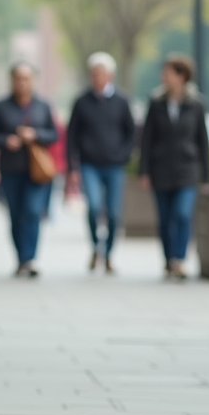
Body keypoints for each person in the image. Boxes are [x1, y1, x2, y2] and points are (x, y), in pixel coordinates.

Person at [137, 53, 209, 280]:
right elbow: (147, 138)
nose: (164, 77)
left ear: (181, 76)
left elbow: (203, 141)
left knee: (182, 214)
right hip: (161, 170)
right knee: (165, 219)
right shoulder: (156, 103)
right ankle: (168, 260)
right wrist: (144, 170)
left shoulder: (196, 104)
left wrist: (207, 176)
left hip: (188, 170)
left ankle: (179, 259)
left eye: (168, 73)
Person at [0, 63, 59, 277]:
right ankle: (21, 258)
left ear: (33, 81)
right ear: (12, 81)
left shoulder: (42, 106)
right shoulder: (1, 106)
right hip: (10, 169)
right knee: (16, 215)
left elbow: (54, 134)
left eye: (26, 78)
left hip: (36, 171)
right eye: (18, 78)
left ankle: (30, 258)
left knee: (33, 212)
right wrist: (6, 140)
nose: (22, 82)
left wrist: (35, 135)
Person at [66, 52, 137, 273]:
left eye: (100, 73)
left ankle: (107, 253)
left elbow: (131, 133)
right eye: (93, 74)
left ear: (110, 75)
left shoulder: (122, 101)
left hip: (115, 165)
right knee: (94, 207)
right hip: (90, 164)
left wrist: (124, 154)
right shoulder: (81, 101)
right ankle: (96, 246)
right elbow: (72, 135)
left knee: (114, 213)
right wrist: (72, 167)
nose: (96, 77)